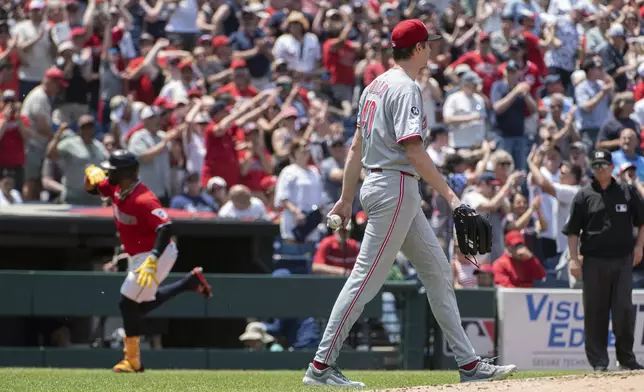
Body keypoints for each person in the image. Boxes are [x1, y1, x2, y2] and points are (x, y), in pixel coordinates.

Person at [302, 19, 516, 387]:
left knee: (436, 270)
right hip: (395, 186)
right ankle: (321, 367)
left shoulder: (374, 85)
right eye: (428, 44)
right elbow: (413, 149)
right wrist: (452, 198)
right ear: (417, 48)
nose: (431, 49)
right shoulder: (405, 87)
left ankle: (468, 365)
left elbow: (356, 147)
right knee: (365, 280)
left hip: (384, 184)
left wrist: (346, 199)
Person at [83, 150, 213, 373]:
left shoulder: (143, 198)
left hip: (157, 253)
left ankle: (133, 360)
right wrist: (88, 175)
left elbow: (166, 227)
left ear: (124, 174)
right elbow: (93, 188)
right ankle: (189, 283)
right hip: (137, 255)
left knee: (126, 303)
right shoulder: (117, 186)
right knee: (137, 307)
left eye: (111, 171)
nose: (107, 174)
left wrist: (153, 258)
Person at [563, 149, 644, 372]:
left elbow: (641, 221)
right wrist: (573, 259)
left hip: (622, 260)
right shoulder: (583, 195)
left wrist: (639, 247)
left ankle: (626, 358)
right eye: (596, 166)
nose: (600, 169)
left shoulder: (626, 191)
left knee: (624, 310)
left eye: (603, 165)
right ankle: (599, 362)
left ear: (612, 168)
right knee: (595, 312)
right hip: (593, 261)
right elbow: (572, 231)